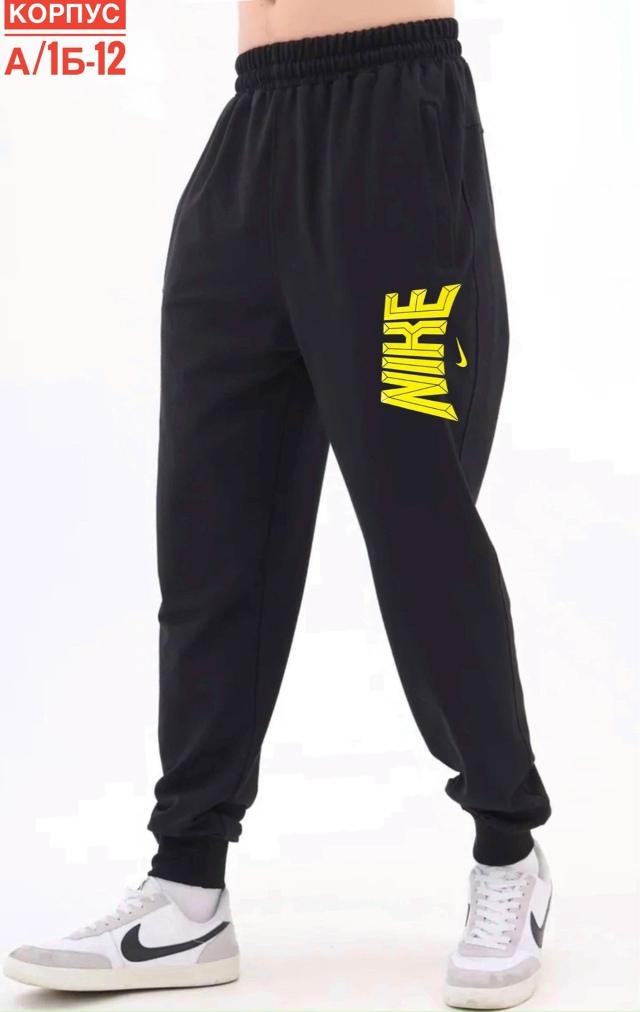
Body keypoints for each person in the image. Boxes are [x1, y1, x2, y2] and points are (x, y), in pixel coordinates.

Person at [3, 1, 553, 1008]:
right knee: (209, 537)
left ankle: (507, 850)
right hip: (249, 133)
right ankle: (187, 887)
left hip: (392, 129)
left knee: (417, 521)